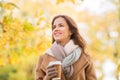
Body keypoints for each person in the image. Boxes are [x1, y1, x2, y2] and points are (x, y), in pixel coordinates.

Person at [35, 14, 97, 80]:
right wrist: (47, 78)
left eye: (61, 26)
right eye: (54, 27)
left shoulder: (85, 57)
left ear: (71, 31)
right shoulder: (43, 58)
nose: (56, 29)